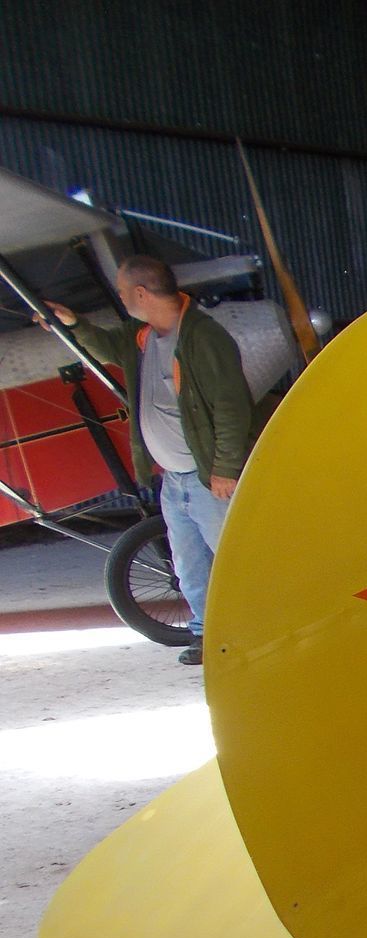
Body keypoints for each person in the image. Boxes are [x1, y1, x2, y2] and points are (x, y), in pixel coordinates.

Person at [40, 255, 257, 665]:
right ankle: (208, 636)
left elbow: (232, 407)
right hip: (174, 480)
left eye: (123, 291)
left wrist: (226, 469)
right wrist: (72, 324)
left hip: (207, 478)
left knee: (234, 562)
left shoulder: (204, 339)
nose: (120, 298)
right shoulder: (142, 337)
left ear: (140, 292)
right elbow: (104, 346)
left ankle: (261, 631)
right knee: (190, 567)